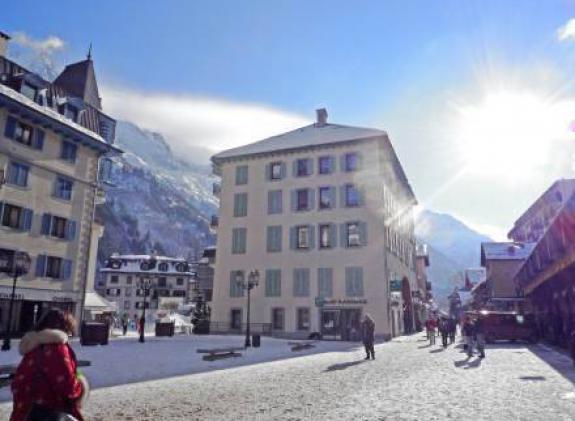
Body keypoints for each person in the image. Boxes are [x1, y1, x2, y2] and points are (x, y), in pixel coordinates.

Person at [10, 308, 88, 421]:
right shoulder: (57, 348)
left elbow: (18, 384)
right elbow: (68, 388)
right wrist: (82, 384)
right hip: (50, 414)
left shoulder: (32, 347)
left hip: (23, 414)